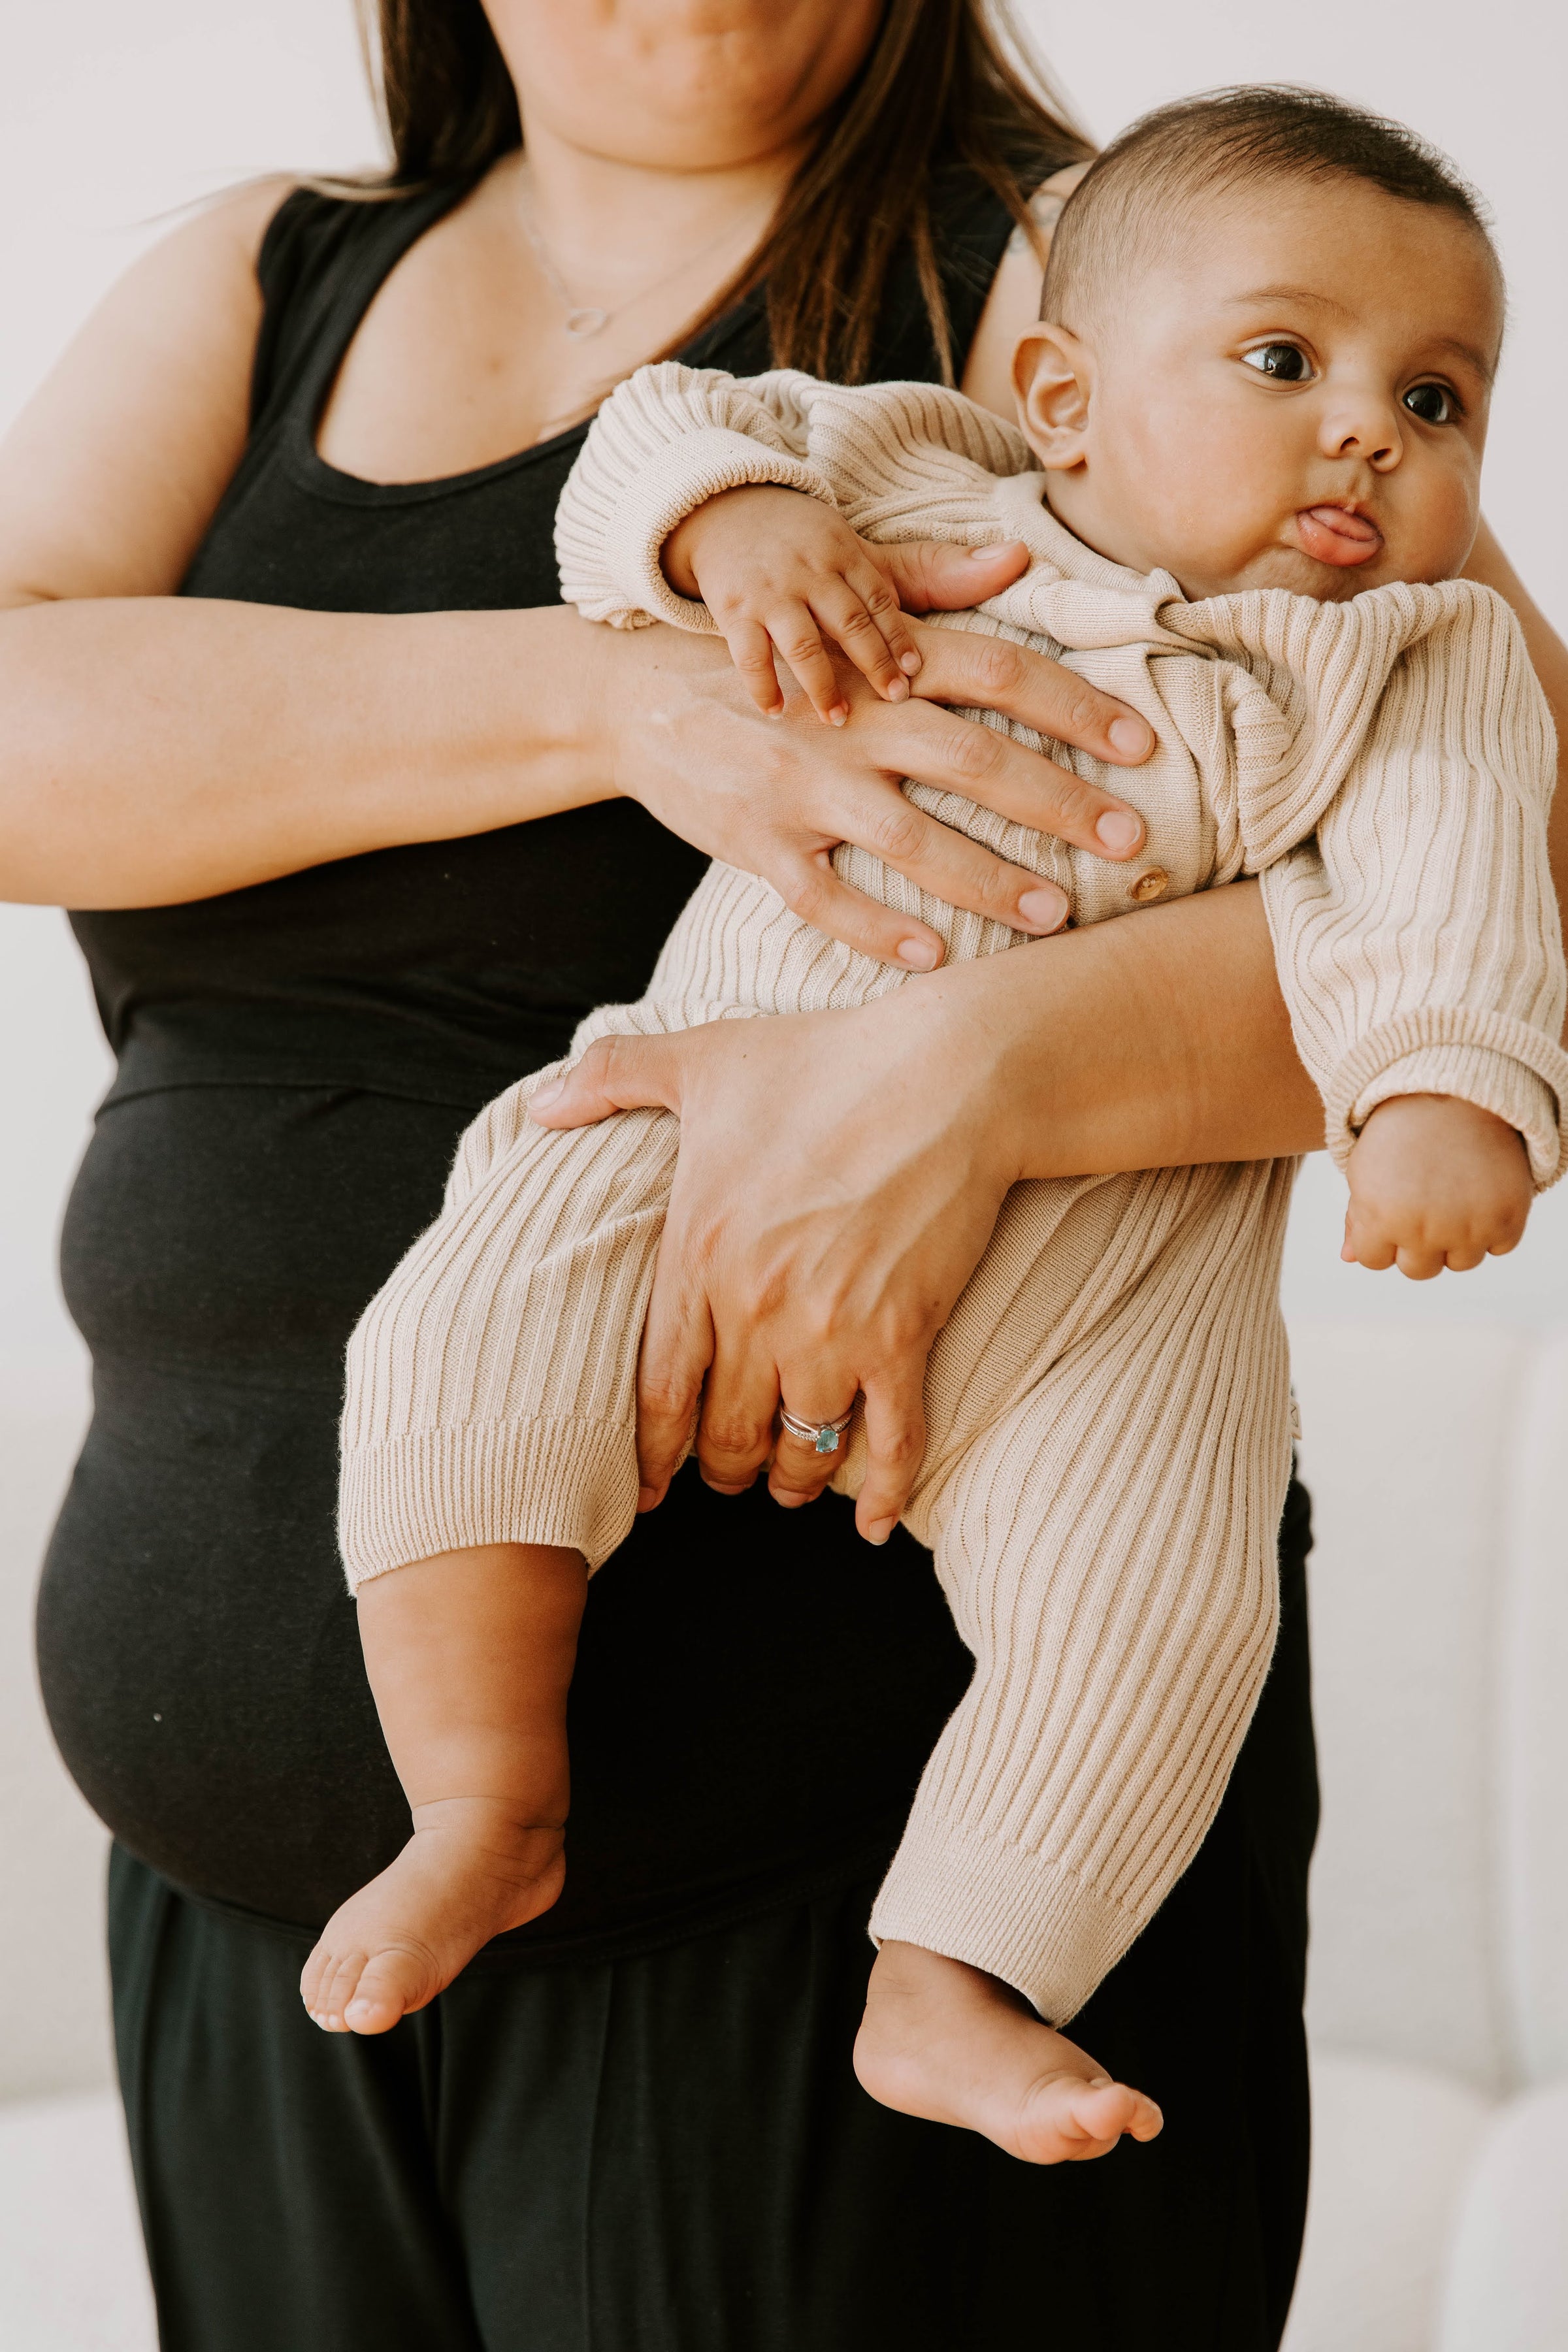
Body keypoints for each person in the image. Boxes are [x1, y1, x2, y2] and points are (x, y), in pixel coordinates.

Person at [0, 3, 1559, 2344]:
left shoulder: (1121, 263)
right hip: (258, 1915)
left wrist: (983, 1071)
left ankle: (971, 1951)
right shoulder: (272, 272)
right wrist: (624, 692)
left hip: (819, 1872)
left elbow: (1505, 851)